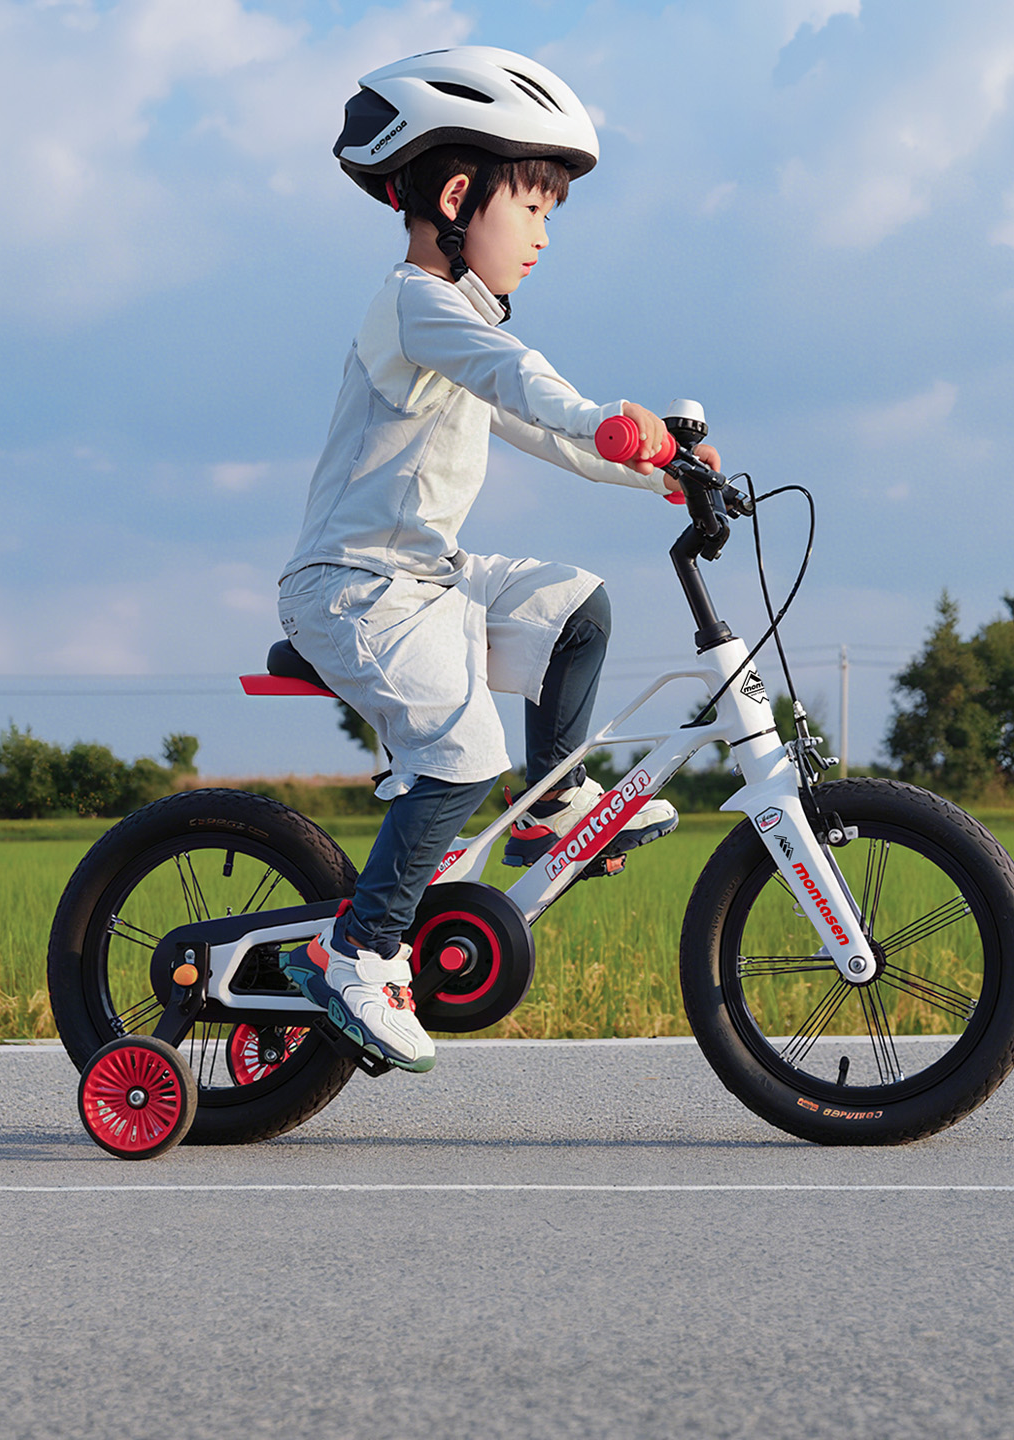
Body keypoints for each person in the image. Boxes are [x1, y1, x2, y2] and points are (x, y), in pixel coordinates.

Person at [276, 46, 721, 1073]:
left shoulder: (460, 328)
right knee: (462, 749)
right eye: (535, 208)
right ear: (460, 195)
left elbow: (546, 428)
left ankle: (553, 805)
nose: (545, 236)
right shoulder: (413, 305)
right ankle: (362, 953)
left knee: (577, 606)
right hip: (353, 589)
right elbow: (535, 387)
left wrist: (665, 473)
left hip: (428, 579)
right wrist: (616, 422)